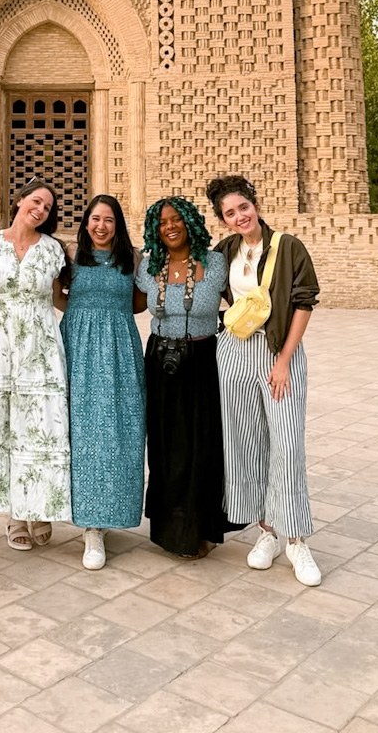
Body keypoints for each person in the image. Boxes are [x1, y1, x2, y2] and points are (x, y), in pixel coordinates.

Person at [205, 174, 321, 587]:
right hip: (235, 353)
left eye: (243, 208)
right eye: (229, 213)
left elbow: (304, 301)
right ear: (222, 219)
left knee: (287, 443)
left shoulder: (287, 247)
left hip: (276, 354)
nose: (239, 217)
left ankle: (296, 539)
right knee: (247, 442)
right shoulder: (225, 252)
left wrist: (285, 359)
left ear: (255, 204)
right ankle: (266, 532)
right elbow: (205, 289)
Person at [0, 177, 71, 549]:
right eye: (36, 201)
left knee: (41, 426)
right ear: (20, 200)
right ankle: (15, 515)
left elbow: (60, 298)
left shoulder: (53, 250)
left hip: (41, 347)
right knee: (4, 425)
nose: (41, 209)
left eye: (47, 207)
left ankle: (41, 508)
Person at [136, 196, 237, 558]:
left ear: (190, 222)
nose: (170, 227)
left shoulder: (215, 263)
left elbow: (242, 300)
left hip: (203, 358)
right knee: (165, 447)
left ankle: (201, 528)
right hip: (161, 359)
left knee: (202, 445)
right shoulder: (149, 267)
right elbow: (128, 302)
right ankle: (169, 530)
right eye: (162, 222)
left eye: (177, 219)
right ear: (155, 230)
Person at [59, 195, 147, 570]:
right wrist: (84, 317)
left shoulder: (133, 259)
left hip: (120, 352)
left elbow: (140, 303)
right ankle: (90, 527)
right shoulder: (70, 258)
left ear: (118, 225)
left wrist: (109, 317)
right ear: (86, 222)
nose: (101, 226)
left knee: (122, 434)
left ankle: (111, 512)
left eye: (108, 220)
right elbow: (58, 298)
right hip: (77, 351)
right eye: (95, 219)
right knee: (81, 436)